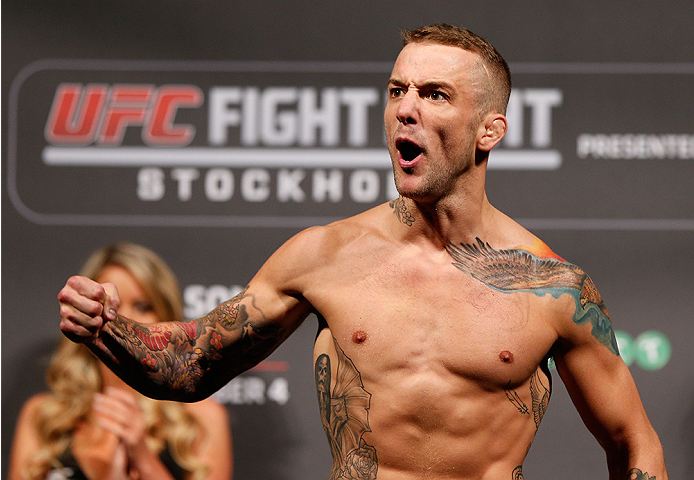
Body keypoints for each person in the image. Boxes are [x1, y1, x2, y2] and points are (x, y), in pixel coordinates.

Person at [57, 24, 668, 480]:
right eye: (397, 90)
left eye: (435, 95)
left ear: (491, 130)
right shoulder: (323, 256)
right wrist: (109, 326)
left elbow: (632, 440)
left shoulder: (552, 287)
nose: (406, 108)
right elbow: (191, 365)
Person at [11, 243, 233, 480]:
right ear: (83, 314)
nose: (123, 318)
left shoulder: (201, 420)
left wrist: (143, 458)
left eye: (143, 306)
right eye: (108, 306)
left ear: (167, 319)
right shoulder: (44, 416)